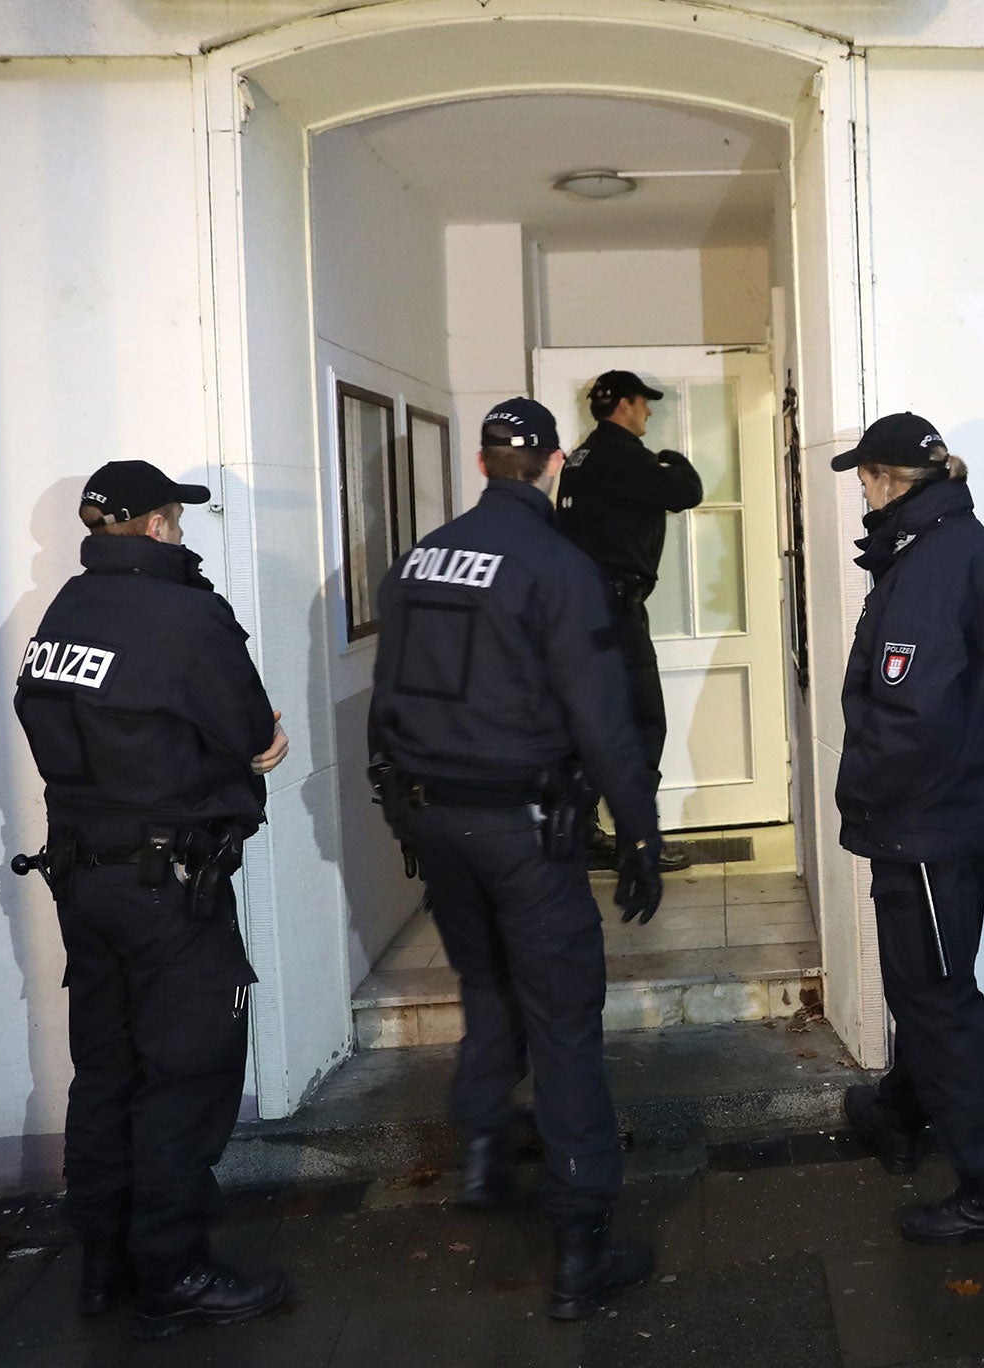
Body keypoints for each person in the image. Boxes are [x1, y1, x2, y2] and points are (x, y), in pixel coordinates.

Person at [367, 399, 667, 1322]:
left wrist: (399, 810)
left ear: (486, 461)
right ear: (553, 463)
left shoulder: (418, 559)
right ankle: (581, 1245)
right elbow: (600, 717)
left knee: (487, 983)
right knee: (565, 1018)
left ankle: (487, 1148)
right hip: (522, 828)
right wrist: (640, 831)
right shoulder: (557, 565)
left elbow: (389, 698)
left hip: (435, 822)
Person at [13, 460, 293, 1339]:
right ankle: (173, 1272)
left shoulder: (66, 610)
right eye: (175, 516)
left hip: (83, 878)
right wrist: (259, 745)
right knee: (189, 1074)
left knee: (107, 1070)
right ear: (156, 525)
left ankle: (104, 1261)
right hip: (172, 888)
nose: (181, 528)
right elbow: (254, 734)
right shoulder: (185, 616)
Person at [832, 413, 984, 1245]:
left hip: (926, 822)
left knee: (936, 994)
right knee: (933, 978)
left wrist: (873, 811)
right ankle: (902, 1109)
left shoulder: (931, 569)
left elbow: (906, 719)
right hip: (970, 804)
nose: (863, 496)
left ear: (888, 481)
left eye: (865, 482)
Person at [555, 369, 702, 871]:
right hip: (614, 613)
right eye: (644, 403)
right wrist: (671, 458)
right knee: (642, 723)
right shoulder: (622, 456)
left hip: (578, 615)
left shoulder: (580, 458)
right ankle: (636, 843)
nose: (649, 412)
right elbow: (686, 490)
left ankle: (581, 832)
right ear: (622, 405)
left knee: (587, 723)